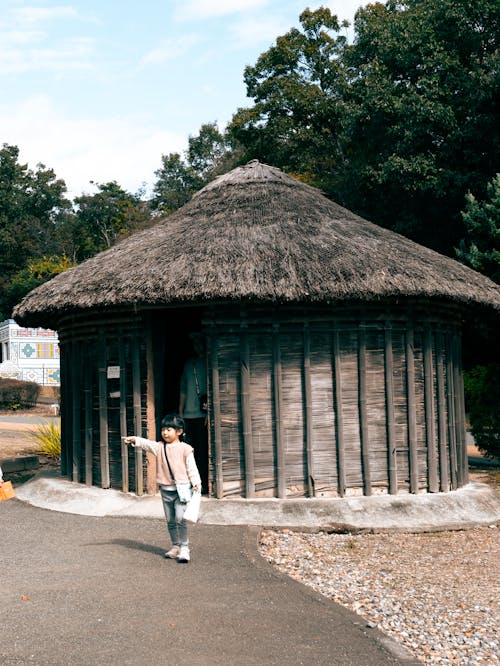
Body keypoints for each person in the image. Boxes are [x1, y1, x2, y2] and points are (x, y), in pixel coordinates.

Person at [123, 413, 201, 564]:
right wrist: (134, 439)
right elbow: (146, 443)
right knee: (171, 520)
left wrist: (196, 482)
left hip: (182, 490)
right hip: (165, 490)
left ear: (179, 431)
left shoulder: (185, 449)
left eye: (169, 429)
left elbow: (192, 467)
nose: (165, 432)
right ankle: (175, 546)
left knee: (180, 518)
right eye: (163, 429)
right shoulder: (160, 447)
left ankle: (184, 548)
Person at [179, 332, 209, 492]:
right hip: (188, 416)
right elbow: (183, 388)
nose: (197, 347)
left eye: (200, 343)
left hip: (203, 416)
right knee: (190, 452)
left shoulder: (210, 362)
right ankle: (192, 483)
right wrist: (180, 412)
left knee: (204, 452)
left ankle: (204, 483)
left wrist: (210, 413)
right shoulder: (189, 364)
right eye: (195, 344)